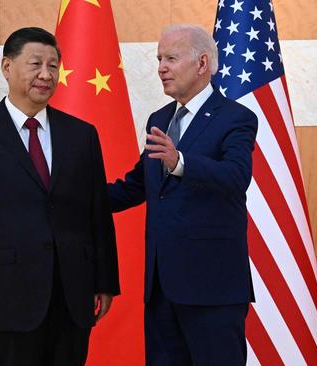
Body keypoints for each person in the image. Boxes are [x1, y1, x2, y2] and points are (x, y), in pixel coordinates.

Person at [0, 27, 119, 366]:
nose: (46, 74)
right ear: (7, 67)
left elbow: (97, 213)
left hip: (73, 292)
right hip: (7, 294)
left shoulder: (82, 135)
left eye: (53, 66)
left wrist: (105, 281)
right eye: (36, 64)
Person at [108, 24, 258, 366]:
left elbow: (236, 176)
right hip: (161, 288)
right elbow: (138, 186)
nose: (161, 67)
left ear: (202, 62)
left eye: (171, 58)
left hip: (212, 289)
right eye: (159, 58)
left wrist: (181, 162)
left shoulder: (236, 118)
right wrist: (73, 193)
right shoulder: (159, 119)